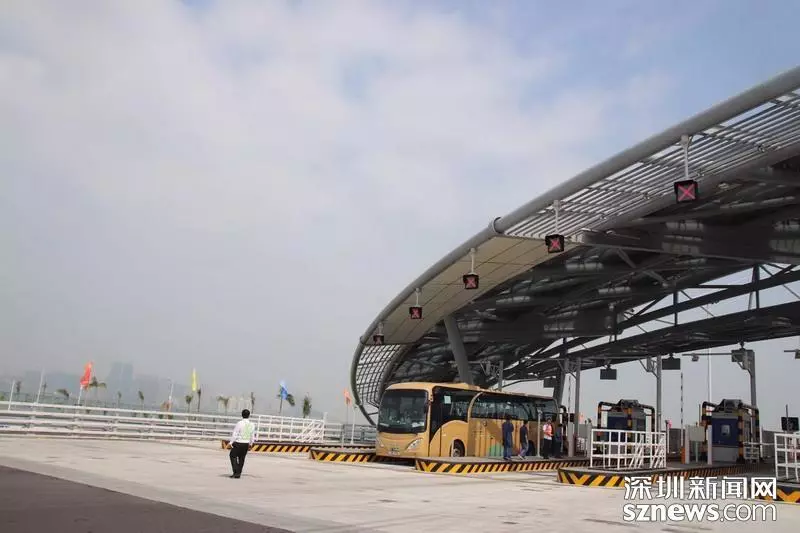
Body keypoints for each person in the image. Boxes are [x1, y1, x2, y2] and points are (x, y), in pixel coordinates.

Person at [229, 409, 255, 478]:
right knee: (242, 459)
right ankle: (238, 473)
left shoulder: (239, 423)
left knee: (232, 455)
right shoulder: (252, 424)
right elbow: (252, 435)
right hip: (246, 444)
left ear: (242, 415)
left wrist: (231, 442)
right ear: (249, 415)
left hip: (238, 442)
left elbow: (235, 433)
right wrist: (251, 444)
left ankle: (236, 471)